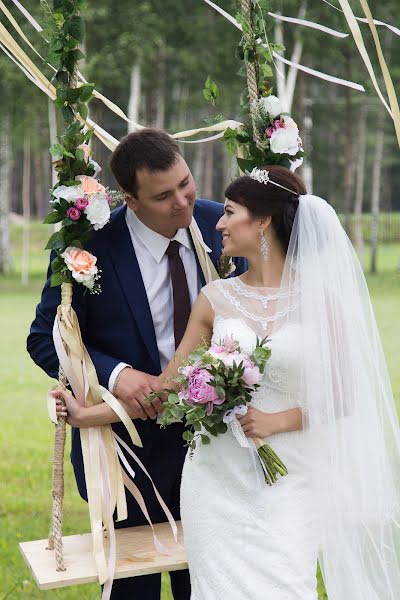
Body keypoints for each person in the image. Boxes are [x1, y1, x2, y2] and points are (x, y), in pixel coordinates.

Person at [52, 165, 400, 600]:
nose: (216, 222)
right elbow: (169, 386)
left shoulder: (320, 299)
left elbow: (347, 394)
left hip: (289, 480)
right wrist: (89, 415)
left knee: (287, 585)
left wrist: (279, 421)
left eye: (230, 211)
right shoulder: (216, 299)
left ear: (262, 221)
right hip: (215, 481)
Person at [27, 127, 245, 600]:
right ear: (129, 197)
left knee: (211, 586)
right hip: (125, 454)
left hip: (215, 448)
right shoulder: (88, 244)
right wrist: (116, 374)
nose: (183, 202)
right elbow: (45, 338)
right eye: (164, 195)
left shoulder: (218, 224)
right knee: (132, 591)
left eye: (185, 183)